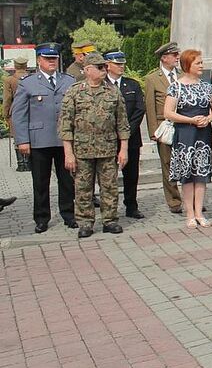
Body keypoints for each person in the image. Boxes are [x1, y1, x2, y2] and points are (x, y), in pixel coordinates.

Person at [58, 51, 130, 238]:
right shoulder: (74, 92)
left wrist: (124, 149)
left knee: (110, 186)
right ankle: (85, 222)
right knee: (82, 188)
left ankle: (110, 220)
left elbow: (122, 123)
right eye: (99, 67)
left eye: (104, 67)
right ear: (88, 70)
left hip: (108, 148)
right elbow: (65, 125)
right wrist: (68, 153)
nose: (104, 70)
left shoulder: (113, 92)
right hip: (82, 150)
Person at [11, 43, 77, 232]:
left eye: (54, 59)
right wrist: (22, 140)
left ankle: (69, 214)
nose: (51, 62)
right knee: (40, 182)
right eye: (48, 59)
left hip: (64, 140)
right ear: (39, 60)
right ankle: (41, 218)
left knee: (67, 180)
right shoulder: (28, 83)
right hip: (39, 140)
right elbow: (19, 114)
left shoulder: (68, 81)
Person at [165, 49, 212, 228]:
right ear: (187, 65)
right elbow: (168, 112)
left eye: (201, 63)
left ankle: (199, 212)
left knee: (201, 174)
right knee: (187, 175)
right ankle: (189, 213)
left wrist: (208, 119)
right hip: (185, 134)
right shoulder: (176, 86)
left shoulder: (206, 86)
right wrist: (190, 120)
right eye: (198, 63)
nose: (202, 66)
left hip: (203, 135)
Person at [105, 51, 147, 218]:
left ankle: (131, 205)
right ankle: (110, 208)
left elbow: (139, 109)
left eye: (122, 63)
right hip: (108, 138)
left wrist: (126, 131)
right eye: (117, 64)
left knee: (131, 175)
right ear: (107, 65)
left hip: (131, 138)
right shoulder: (102, 84)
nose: (121, 66)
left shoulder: (132, 85)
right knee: (108, 176)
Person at [144, 42, 183, 213]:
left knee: (186, 162)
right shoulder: (153, 79)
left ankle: (191, 197)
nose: (177, 58)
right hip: (164, 126)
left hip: (184, 124)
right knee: (167, 164)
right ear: (164, 57)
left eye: (177, 54)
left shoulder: (183, 75)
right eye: (174, 55)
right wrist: (153, 131)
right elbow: (150, 106)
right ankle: (174, 200)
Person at [4, 57, 32, 172]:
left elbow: (7, 99)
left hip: (15, 111)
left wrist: (5, 114)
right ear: (26, 66)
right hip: (31, 111)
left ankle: (21, 164)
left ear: (15, 66)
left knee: (17, 136)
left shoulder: (9, 80)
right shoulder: (32, 78)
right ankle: (29, 163)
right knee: (30, 135)